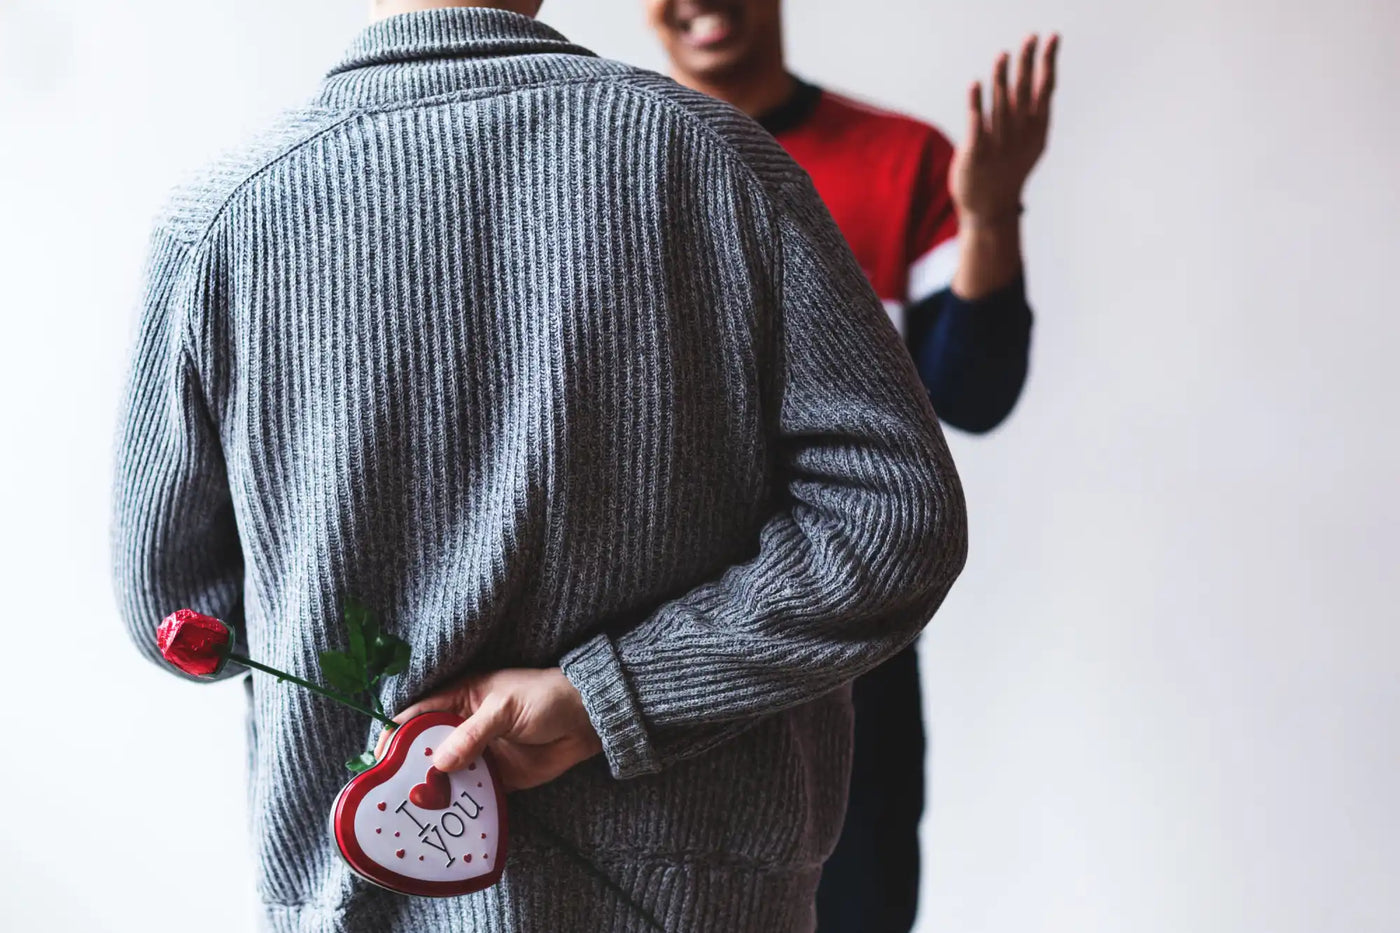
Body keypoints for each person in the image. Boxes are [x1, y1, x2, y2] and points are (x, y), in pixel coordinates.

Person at [111, 2, 968, 931]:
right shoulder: (717, 164)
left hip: (362, 900)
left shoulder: (221, 226)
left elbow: (177, 614)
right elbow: (895, 521)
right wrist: (605, 698)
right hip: (702, 901)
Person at [644, 2, 1059, 930]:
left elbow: (972, 393)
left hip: (849, 648)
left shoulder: (903, 157)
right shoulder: (607, 163)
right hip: (656, 649)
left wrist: (988, 215)